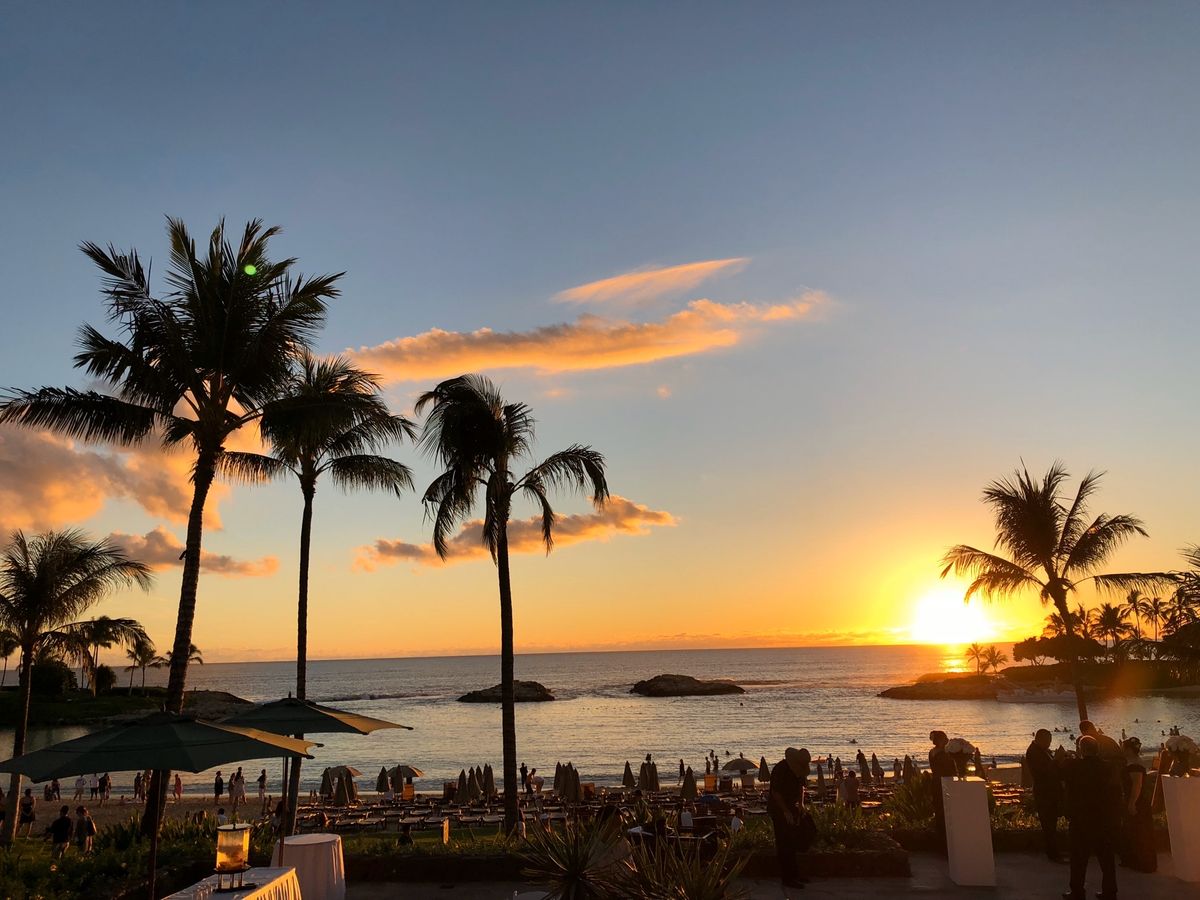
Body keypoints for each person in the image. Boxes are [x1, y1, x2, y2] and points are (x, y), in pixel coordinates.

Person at [1063, 735, 1121, 900]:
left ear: (1081, 750)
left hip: (1080, 819)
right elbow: (1115, 792)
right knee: (1106, 860)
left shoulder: (1074, 767)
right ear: (1098, 750)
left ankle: (1077, 892)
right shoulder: (1108, 767)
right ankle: (1110, 891)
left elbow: (1063, 781)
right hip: (1103, 819)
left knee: (1078, 860)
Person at [769, 746, 813, 891]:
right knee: (784, 844)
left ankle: (795, 874)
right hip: (778, 810)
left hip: (792, 807)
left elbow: (801, 788)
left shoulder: (799, 771)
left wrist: (801, 803)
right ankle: (787, 878)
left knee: (793, 842)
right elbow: (776, 793)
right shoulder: (780, 769)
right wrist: (785, 811)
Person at [1026, 728, 1064, 862]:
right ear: (1041, 739)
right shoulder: (1033, 752)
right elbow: (1043, 772)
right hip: (1044, 793)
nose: (1049, 744)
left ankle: (1055, 852)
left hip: (1050, 792)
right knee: (1048, 825)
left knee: (1051, 824)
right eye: (1048, 741)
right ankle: (1053, 854)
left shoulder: (1042, 751)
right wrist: (1056, 760)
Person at [1119, 737, 1156, 873]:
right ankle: (1132, 859)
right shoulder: (1132, 762)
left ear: (1129, 750)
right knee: (1132, 830)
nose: (1122, 750)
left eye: (1123, 748)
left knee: (1140, 831)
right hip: (1132, 799)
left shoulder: (1135, 765)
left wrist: (1132, 803)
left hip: (1137, 802)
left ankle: (1143, 862)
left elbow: (1137, 785)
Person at [928, 730, 957, 856]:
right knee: (945, 813)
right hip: (944, 783)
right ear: (940, 740)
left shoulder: (932, 752)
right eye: (945, 738)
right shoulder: (944, 754)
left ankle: (940, 844)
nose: (947, 740)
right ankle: (946, 845)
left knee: (940, 812)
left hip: (935, 782)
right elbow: (951, 770)